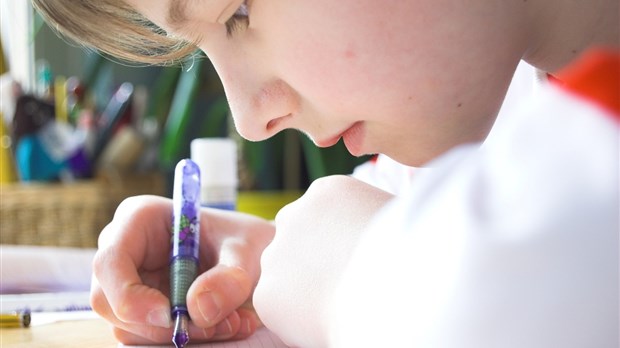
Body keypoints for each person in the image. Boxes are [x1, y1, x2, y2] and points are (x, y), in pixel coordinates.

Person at [32, 0, 618, 346]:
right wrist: (271, 259)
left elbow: (487, 314)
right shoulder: (521, 108)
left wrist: (354, 276)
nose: (249, 120)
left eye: (237, 12)